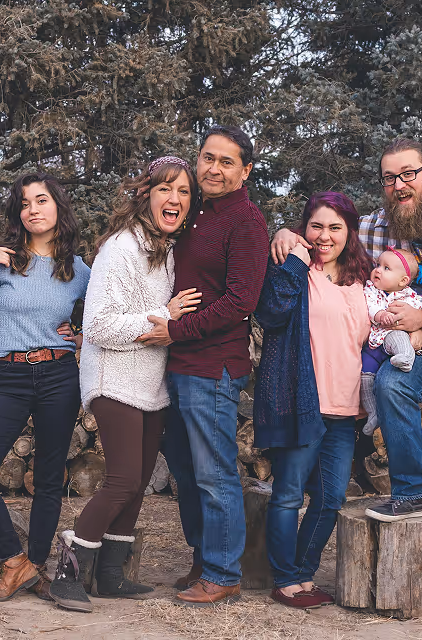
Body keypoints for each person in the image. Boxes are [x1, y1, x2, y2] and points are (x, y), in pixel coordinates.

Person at [272, 138, 422, 604]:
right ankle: (413, 491)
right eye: (390, 178)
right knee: (393, 383)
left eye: (408, 174)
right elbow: (326, 236)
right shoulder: (375, 229)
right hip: (412, 355)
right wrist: (285, 233)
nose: (399, 185)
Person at [48, 156, 200, 613]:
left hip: (152, 381)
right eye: (164, 189)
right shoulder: (121, 247)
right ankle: (66, 574)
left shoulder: (169, 248)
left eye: (184, 192)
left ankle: (111, 575)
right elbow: (96, 326)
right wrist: (164, 317)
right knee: (122, 480)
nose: (174, 198)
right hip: (113, 377)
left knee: (137, 486)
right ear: (145, 194)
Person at [138, 125, 270, 607]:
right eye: (207, 157)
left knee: (214, 474)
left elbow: (240, 301)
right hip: (176, 364)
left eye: (226, 161)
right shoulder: (193, 212)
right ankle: (204, 557)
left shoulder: (247, 221)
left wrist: (176, 331)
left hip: (213, 367)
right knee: (188, 473)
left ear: (245, 170)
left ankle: (223, 573)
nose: (214, 168)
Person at [0, 172, 90, 603]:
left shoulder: (79, 270)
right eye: (25, 203)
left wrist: (85, 336)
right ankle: (14, 561)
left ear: (58, 208)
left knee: (50, 478)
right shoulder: (2, 260)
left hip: (58, 375)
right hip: (9, 376)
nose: (33, 208)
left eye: (42, 200)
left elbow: (107, 312)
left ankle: (34, 564)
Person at [255, 192, 371, 609]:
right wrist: (295, 262)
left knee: (331, 498)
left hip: (344, 408)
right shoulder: (293, 267)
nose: (324, 236)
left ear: (349, 232)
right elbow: (268, 313)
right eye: (316, 225)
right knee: (288, 494)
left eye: (335, 227)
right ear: (304, 228)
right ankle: (285, 578)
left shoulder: (363, 279)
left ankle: (304, 573)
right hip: (302, 401)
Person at [361, 247, 422, 436]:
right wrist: (380, 314)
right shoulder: (371, 290)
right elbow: (369, 305)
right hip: (374, 344)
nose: (378, 270)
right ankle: (373, 413)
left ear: (403, 281)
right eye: (378, 265)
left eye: (386, 268)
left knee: (397, 335)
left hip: (395, 339)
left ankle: (406, 357)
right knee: (364, 375)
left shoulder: (412, 299)